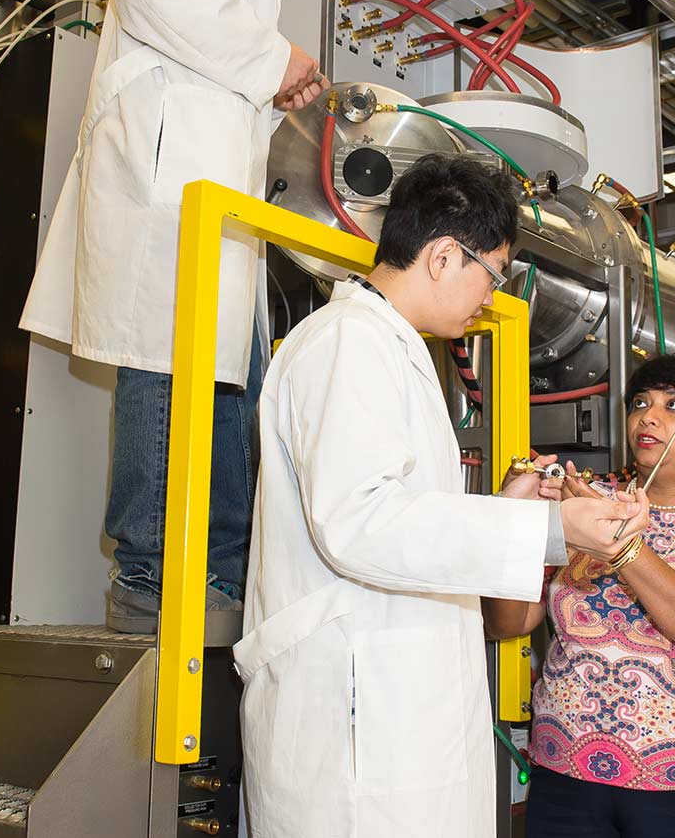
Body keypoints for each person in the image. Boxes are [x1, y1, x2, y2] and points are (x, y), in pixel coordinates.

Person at [19, 0, 405, 631]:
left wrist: (277, 81)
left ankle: (219, 577)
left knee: (232, 377)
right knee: (168, 361)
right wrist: (274, 58)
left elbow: (220, 44)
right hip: (170, 168)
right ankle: (149, 579)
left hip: (214, 181)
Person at [234, 154, 653, 838]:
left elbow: (402, 520)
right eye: (493, 272)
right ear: (442, 256)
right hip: (353, 723)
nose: (490, 295)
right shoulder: (348, 343)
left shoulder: (392, 347)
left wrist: (509, 509)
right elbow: (360, 523)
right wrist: (553, 529)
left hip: (393, 713)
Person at [484, 353, 675, 838]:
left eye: (674, 405)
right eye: (640, 403)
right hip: (564, 771)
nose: (649, 417)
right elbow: (506, 623)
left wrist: (621, 546)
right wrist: (516, 523)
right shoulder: (584, 505)